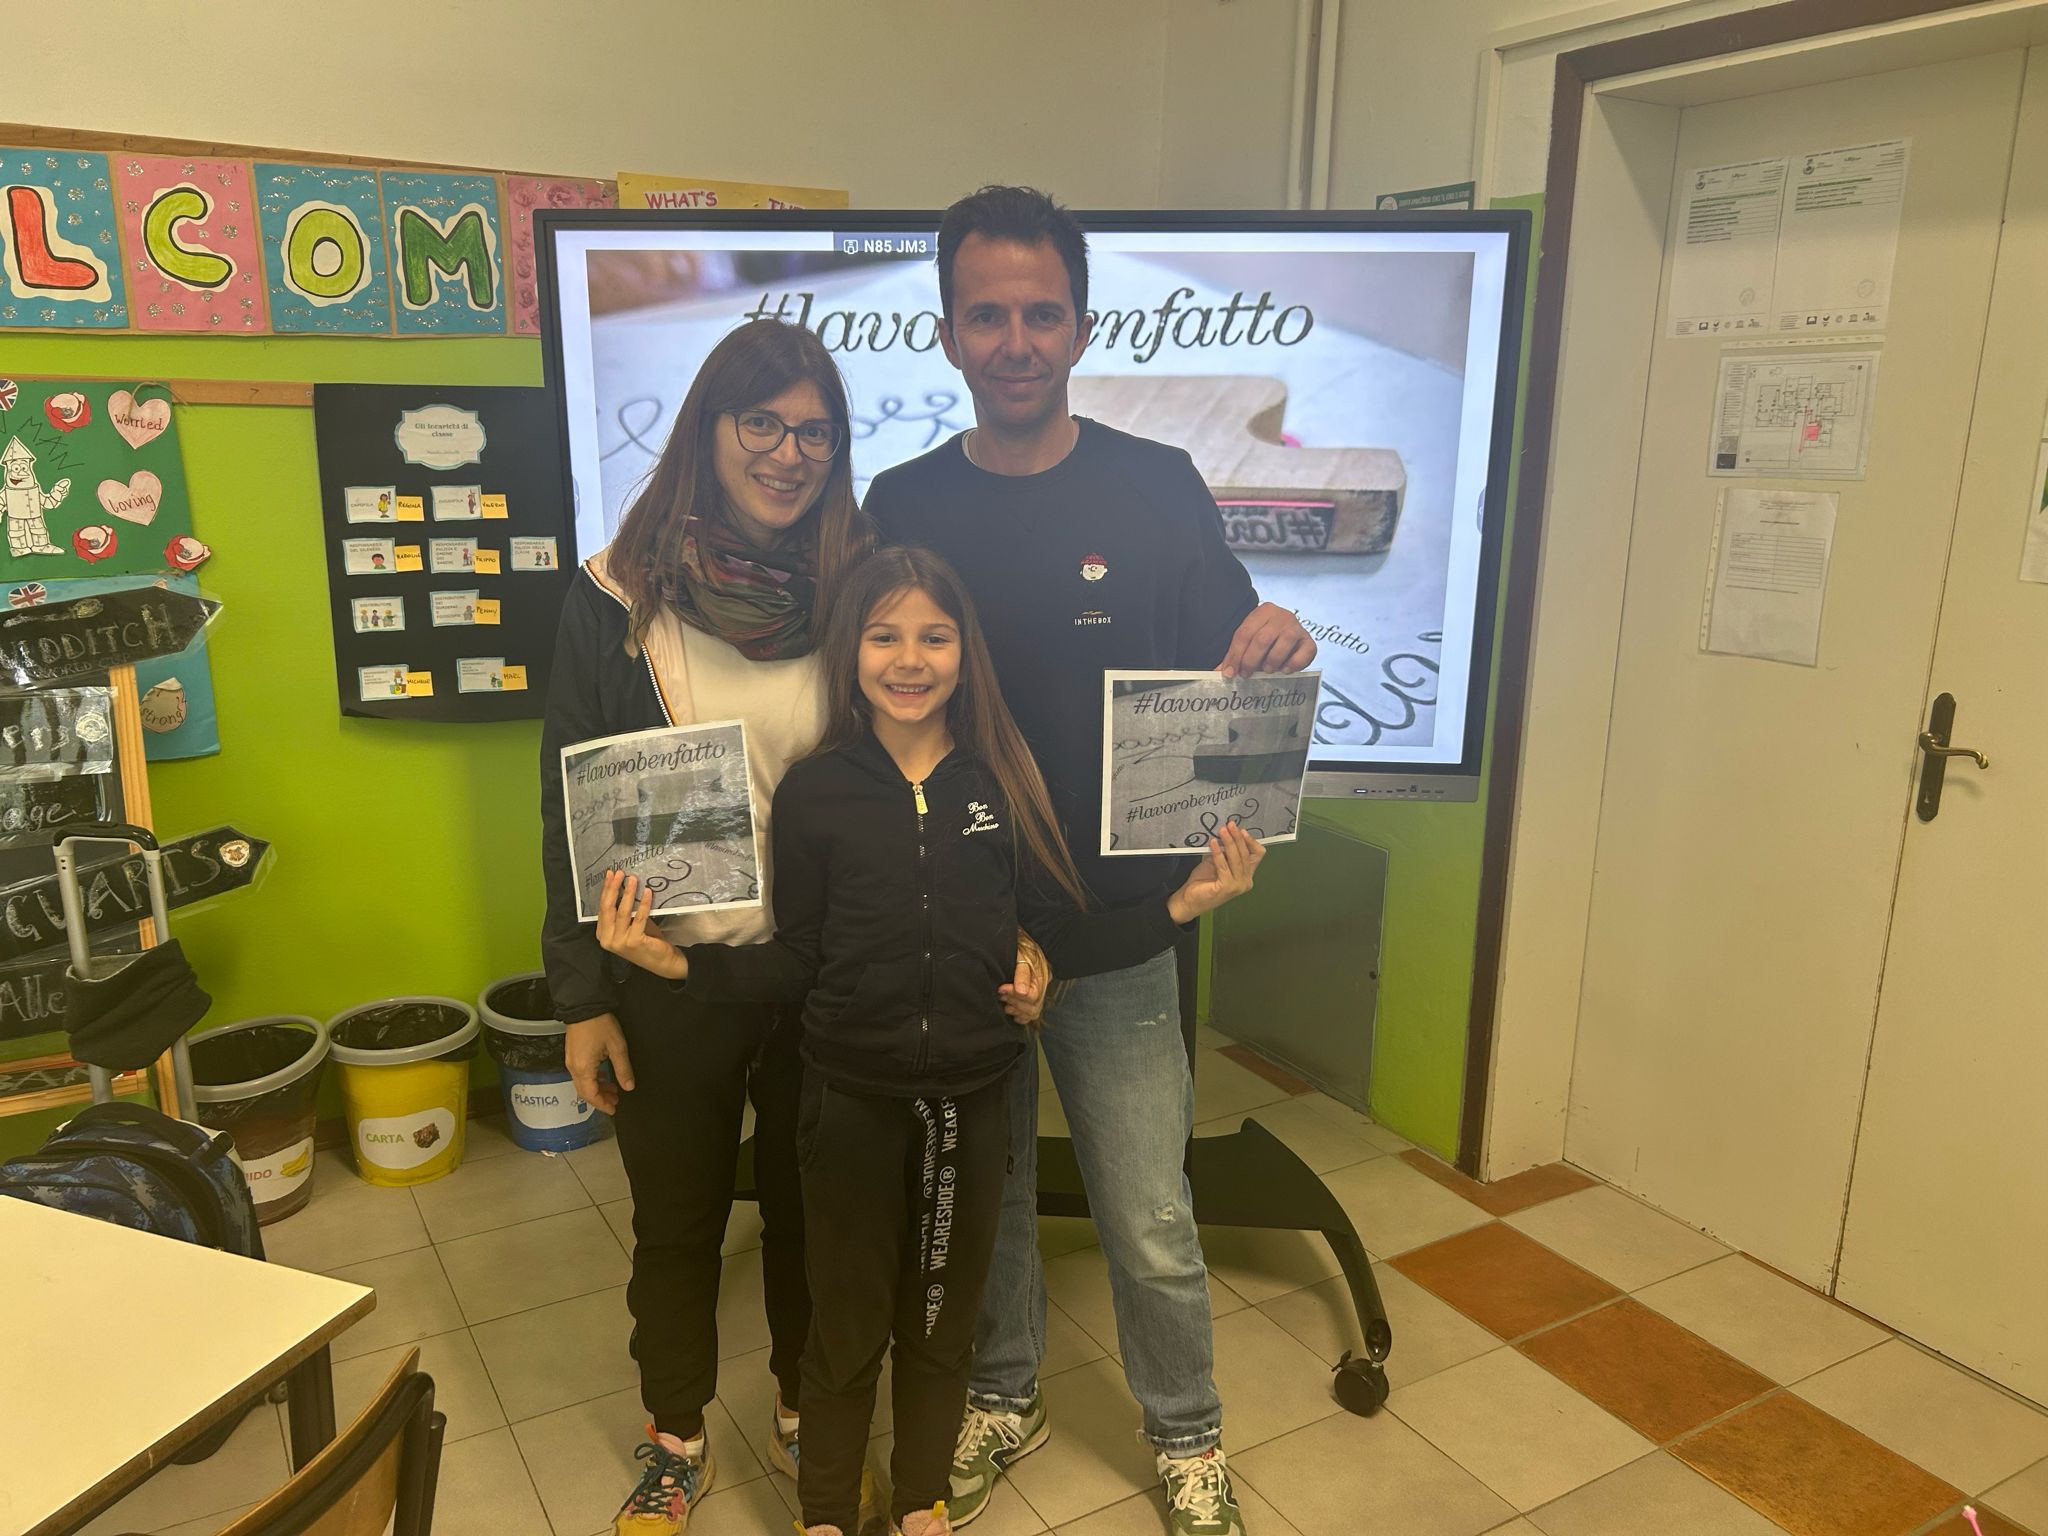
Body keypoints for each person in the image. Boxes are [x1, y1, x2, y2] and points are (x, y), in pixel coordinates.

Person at [592, 546, 1266, 1536]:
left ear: (964, 652)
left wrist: (1179, 906)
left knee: (943, 1322)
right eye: (884, 636)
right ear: (850, 650)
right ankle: (825, 1512)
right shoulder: (818, 791)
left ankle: (918, 1504)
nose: (909, 659)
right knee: (843, 1324)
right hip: (846, 1102)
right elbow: (797, 961)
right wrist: (675, 965)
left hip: (970, 1104)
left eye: (934, 637)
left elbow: (1059, 933)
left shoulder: (1000, 780)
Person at [862, 186, 1317, 1535]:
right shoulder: (903, 501)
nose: (1015, 341)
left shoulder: (1156, 484)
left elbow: (1235, 667)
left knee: (1151, 1217)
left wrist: (1276, 639)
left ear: (1080, 325)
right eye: (986, 315)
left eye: (1040, 313)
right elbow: (871, 702)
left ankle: (1186, 1434)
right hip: (963, 929)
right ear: (946, 333)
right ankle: (1003, 1396)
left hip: (1123, 930)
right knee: (985, 1204)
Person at [539, 317, 872, 1536]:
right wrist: (581, 996)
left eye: (814, 433)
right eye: (761, 424)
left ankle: (799, 1406)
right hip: (665, 974)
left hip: (813, 973)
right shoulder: (617, 595)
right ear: (709, 430)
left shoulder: (860, 589)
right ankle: (674, 1435)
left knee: (808, 1215)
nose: (788, 454)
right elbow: (566, 798)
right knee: (676, 1221)